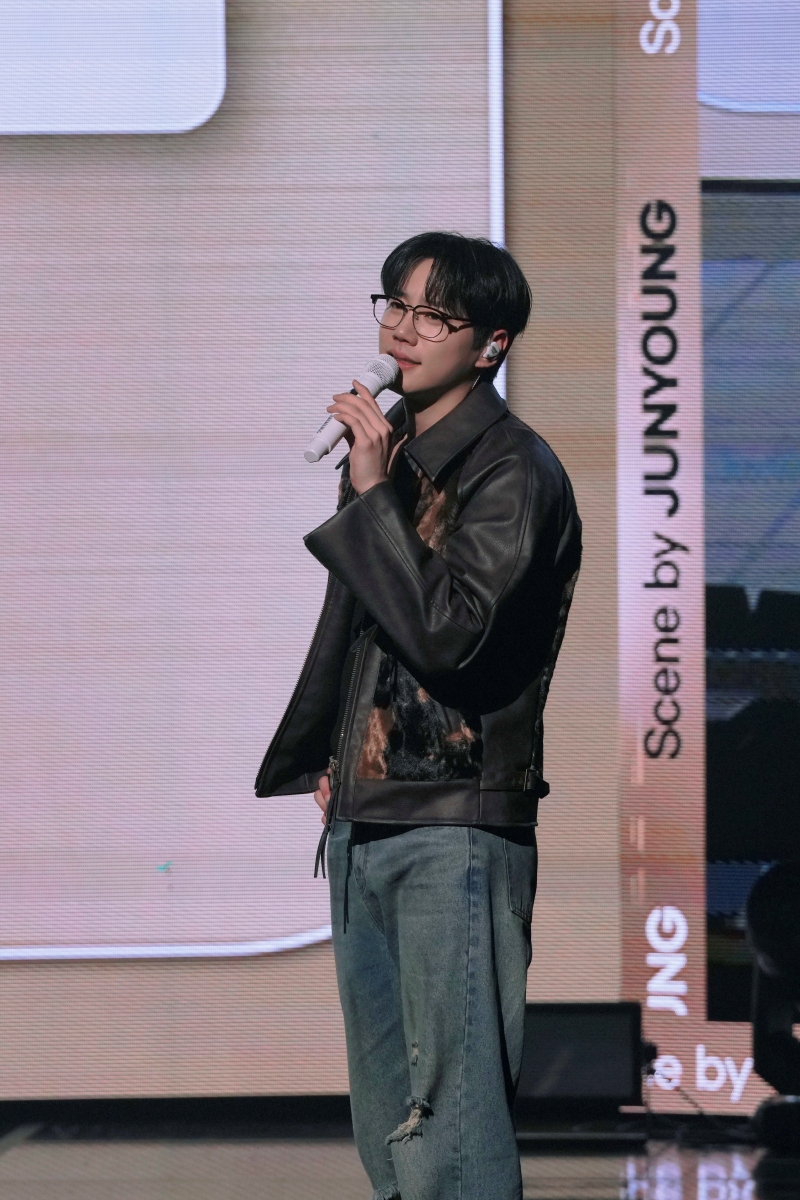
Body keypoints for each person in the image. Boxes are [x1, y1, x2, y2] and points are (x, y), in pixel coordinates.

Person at [255, 232, 582, 1200]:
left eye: (432, 315)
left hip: (453, 826)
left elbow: (450, 636)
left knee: (451, 1124)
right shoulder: (391, 455)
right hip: (368, 813)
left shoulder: (512, 469)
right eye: (393, 304)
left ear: (490, 344)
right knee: (388, 1121)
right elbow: (360, 634)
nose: (401, 329)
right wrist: (335, 758)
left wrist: (369, 493)